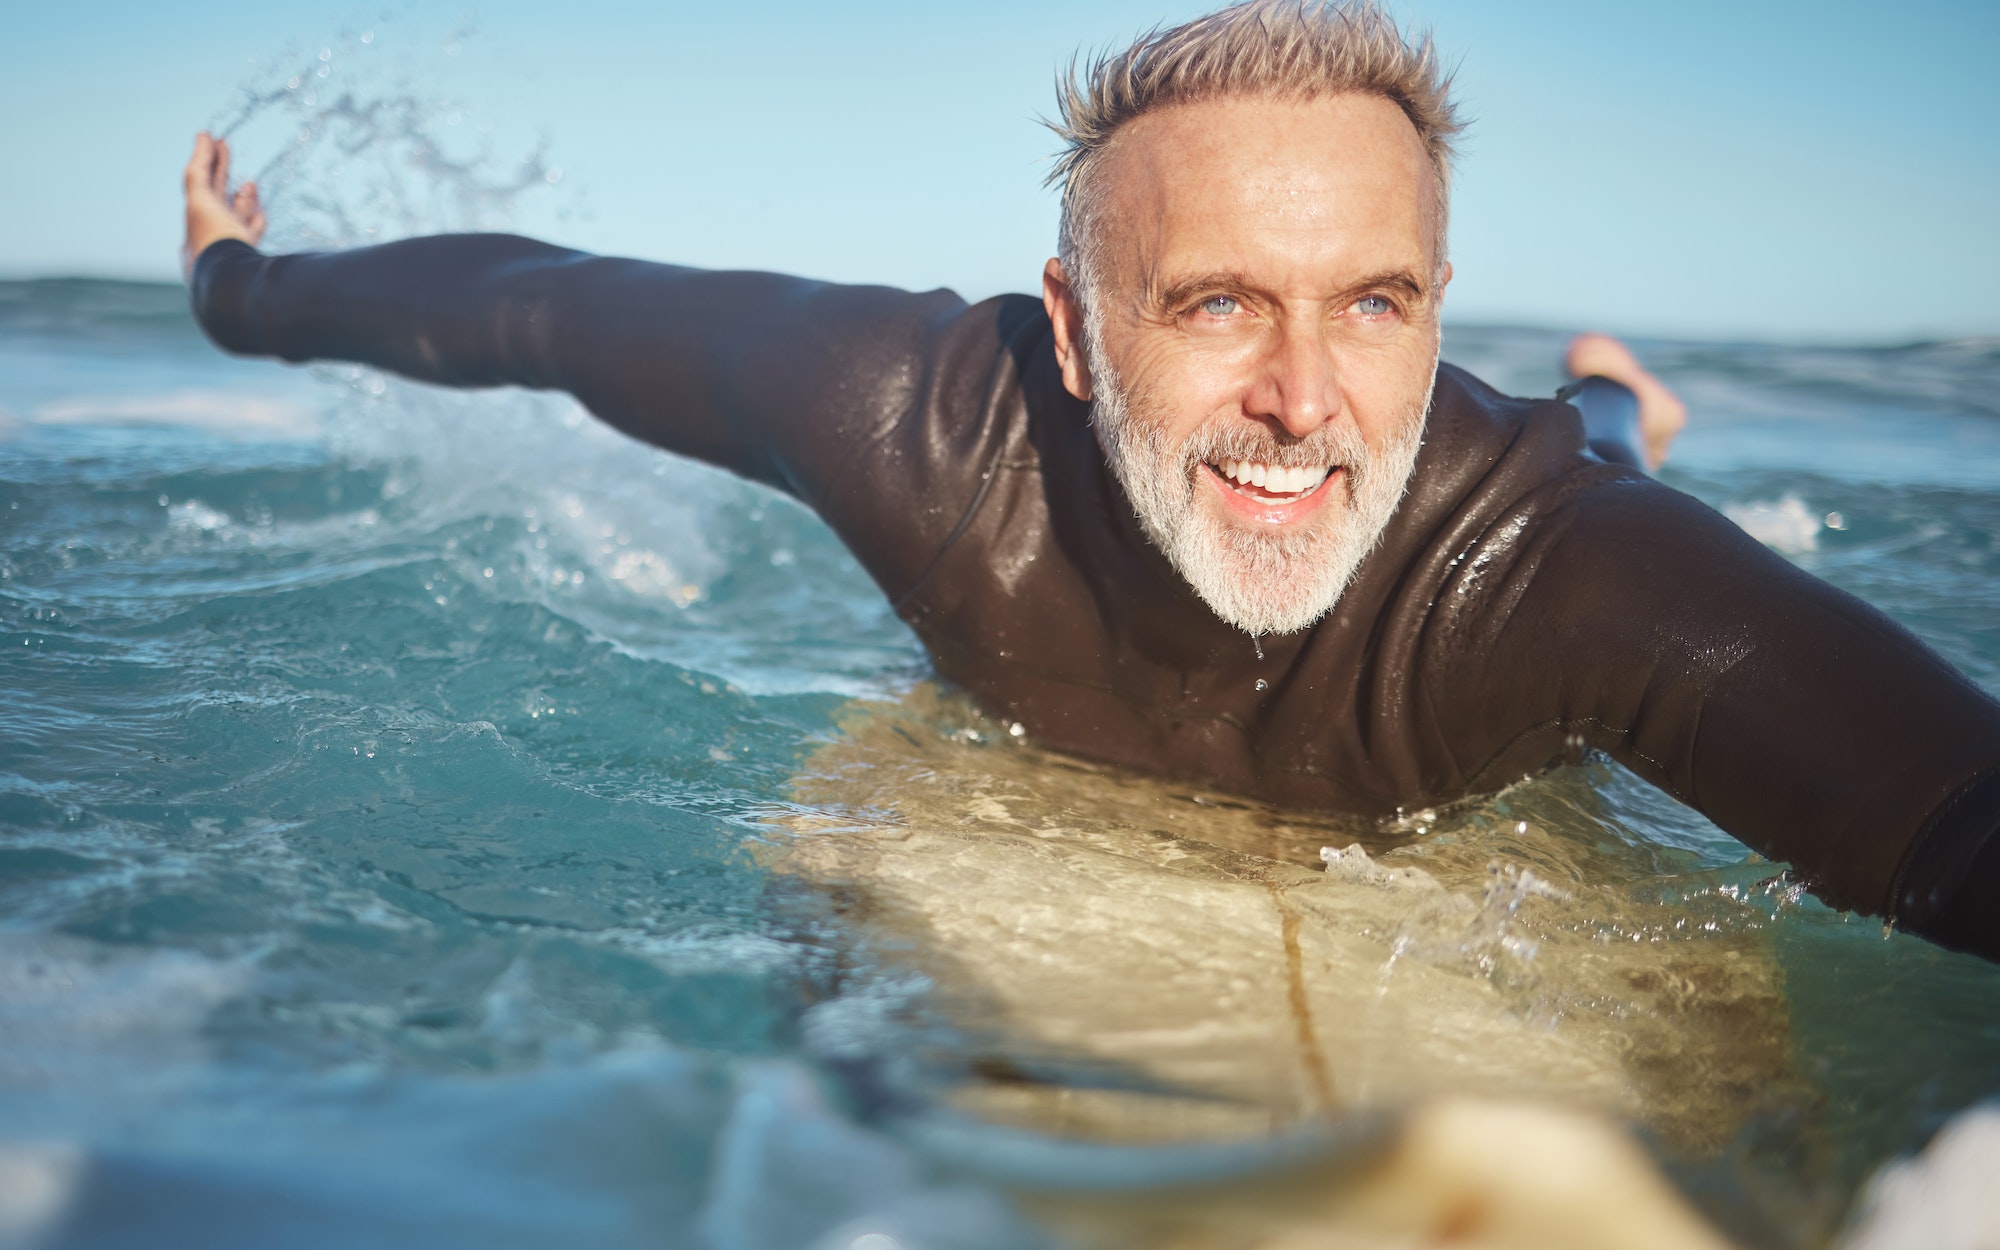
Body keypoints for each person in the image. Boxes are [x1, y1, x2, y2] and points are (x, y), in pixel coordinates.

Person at [177, 0, 1999, 962]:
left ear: (1437, 306)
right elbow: (541, 314)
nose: (1302, 397)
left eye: (1372, 303)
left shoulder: (1556, 576)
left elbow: (1959, 828)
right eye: (1213, 302)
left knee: (1597, 451)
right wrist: (236, 290)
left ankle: (1608, 388)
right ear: (1072, 323)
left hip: (1570, 479)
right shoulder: (910, 421)